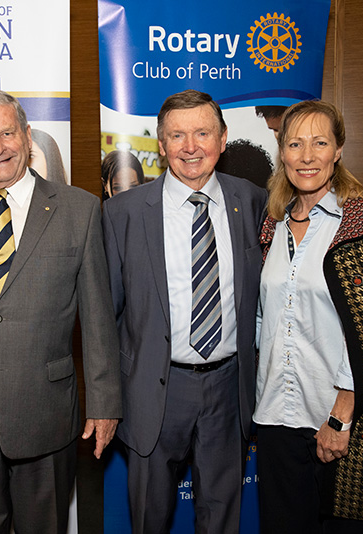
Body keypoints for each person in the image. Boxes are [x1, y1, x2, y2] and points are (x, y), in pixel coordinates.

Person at [0, 87, 121, 534]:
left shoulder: (80, 209)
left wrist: (105, 404)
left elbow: (97, 316)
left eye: (8, 133)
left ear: (27, 136)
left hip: (44, 411)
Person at [102, 89, 267, 533]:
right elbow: (105, 318)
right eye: (177, 135)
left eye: (202, 133)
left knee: (221, 517)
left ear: (223, 138)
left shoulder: (253, 202)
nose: (190, 146)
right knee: (149, 517)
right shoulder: (123, 214)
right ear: (160, 144)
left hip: (229, 388)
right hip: (155, 390)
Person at [254, 100, 363, 533]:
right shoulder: (269, 228)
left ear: (338, 149)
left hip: (342, 421)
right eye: (295, 144)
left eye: (320, 143)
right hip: (275, 417)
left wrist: (339, 417)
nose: (307, 156)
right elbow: (261, 320)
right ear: (282, 153)